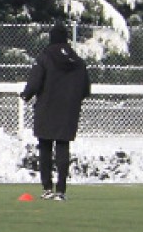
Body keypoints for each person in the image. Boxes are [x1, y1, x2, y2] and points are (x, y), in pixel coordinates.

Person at [20, 23, 91, 201]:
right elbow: (86, 90)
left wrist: (26, 95)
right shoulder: (77, 61)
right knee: (63, 147)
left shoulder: (45, 57)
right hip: (68, 111)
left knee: (45, 146)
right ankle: (61, 190)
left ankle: (47, 188)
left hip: (46, 108)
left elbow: (35, 82)